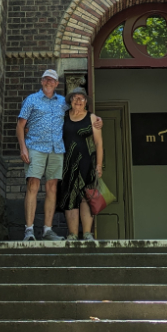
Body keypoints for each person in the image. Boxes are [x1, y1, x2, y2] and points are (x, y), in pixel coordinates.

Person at [17, 70, 101, 241]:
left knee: (52, 188)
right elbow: (20, 126)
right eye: (46, 79)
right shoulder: (31, 99)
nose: (49, 82)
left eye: (53, 80)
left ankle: (47, 230)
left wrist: (97, 119)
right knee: (33, 185)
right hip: (35, 147)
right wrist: (23, 148)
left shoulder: (63, 102)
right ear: (42, 81)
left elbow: (81, 113)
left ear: (56, 84)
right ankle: (29, 230)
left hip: (57, 150)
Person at [59, 87, 104, 241]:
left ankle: (87, 233)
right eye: (75, 98)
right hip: (67, 164)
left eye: (81, 98)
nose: (78, 101)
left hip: (87, 163)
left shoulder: (92, 118)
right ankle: (72, 234)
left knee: (87, 197)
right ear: (70, 101)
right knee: (70, 198)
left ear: (86, 102)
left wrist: (99, 165)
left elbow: (98, 144)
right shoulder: (63, 117)